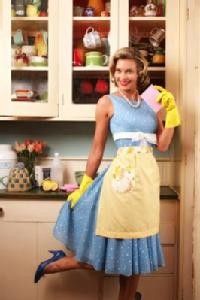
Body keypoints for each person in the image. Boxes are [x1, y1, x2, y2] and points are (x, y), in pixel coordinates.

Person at [34, 47, 181, 300]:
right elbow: (97, 149)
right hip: (120, 183)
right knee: (111, 248)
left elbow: (163, 145)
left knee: (136, 247)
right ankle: (60, 263)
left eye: (129, 71)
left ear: (139, 73)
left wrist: (172, 114)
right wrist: (84, 186)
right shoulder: (106, 103)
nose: (123, 76)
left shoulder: (151, 101)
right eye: (119, 71)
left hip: (145, 183)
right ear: (113, 74)